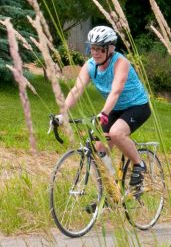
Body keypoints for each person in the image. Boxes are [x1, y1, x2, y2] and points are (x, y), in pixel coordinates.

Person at [59, 25, 151, 189]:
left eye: (100, 49)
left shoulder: (121, 63)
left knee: (116, 133)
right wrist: (63, 113)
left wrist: (103, 113)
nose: (95, 53)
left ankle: (139, 165)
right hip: (115, 108)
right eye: (92, 48)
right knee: (99, 148)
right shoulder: (90, 65)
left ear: (110, 49)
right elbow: (77, 89)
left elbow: (115, 91)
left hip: (137, 106)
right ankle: (110, 192)